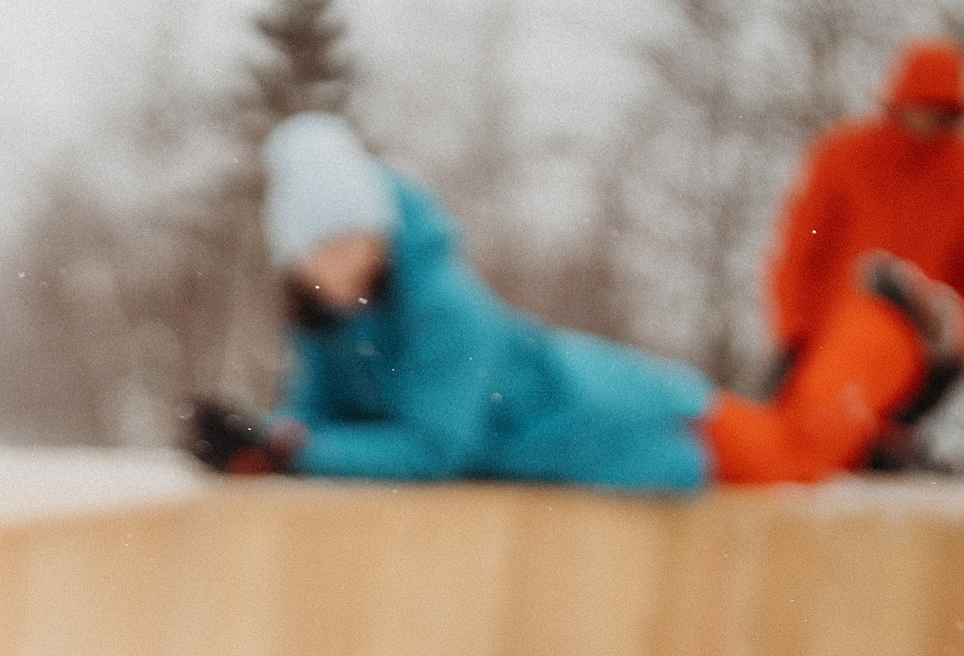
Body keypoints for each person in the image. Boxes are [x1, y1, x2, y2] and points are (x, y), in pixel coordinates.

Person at [187, 111, 718, 491]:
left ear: (382, 235)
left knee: (791, 452)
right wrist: (265, 441)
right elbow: (322, 419)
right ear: (296, 260)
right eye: (323, 249)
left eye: (355, 241)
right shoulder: (328, 320)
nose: (342, 263)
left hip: (639, 423)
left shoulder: (443, 306)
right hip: (585, 458)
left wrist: (294, 451)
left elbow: (435, 450)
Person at [705, 37, 964, 483]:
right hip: (828, 341)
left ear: (956, 111)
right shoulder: (843, 153)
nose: (926, 119)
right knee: (792, 456)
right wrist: (793, 337)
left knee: (843, 465)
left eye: (939, 109)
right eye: (918, 105)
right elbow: (797, 252)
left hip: (913, 350)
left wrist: (958, 357)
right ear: (898, 101)